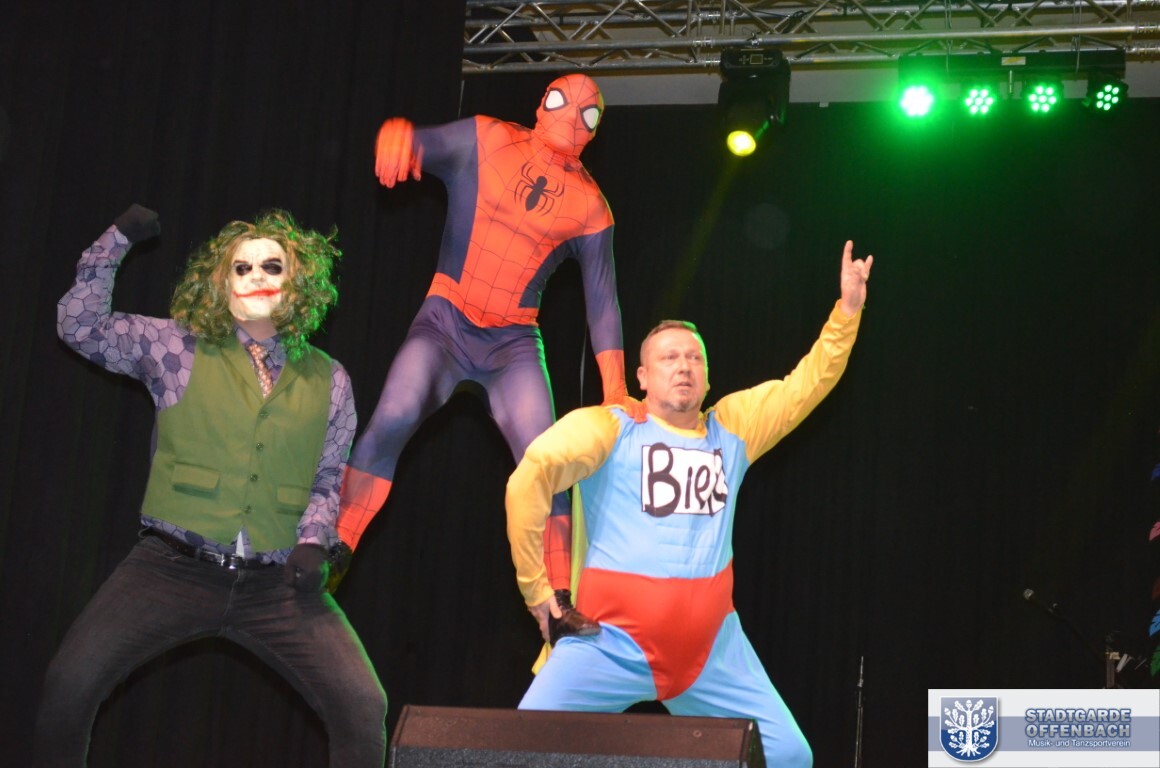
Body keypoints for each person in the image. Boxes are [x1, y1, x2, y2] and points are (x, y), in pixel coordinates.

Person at [34, 205, 387, 767]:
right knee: (69, 682)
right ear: (220, 282)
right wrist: (116, 240)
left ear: (299, 282)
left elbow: (327, 478)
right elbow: (80, 326)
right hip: (171, 569)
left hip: (276, 583)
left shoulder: (331, 378)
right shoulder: (176, 346)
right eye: (241, 268)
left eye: (272, 266)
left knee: (363, 704)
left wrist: (314, 541)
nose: (256, 278)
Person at [506, 241, 873, 767]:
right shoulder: (610, 427)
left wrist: (847, 312)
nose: (684, 366)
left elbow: (806, 385)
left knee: (790, 756)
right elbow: (530, 477)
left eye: (694, 357)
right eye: (669, 358)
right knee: (519, 749)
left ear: (708, 375)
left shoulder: (734, 428)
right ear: (642, 377)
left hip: (711, 653)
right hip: (608, 644)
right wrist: (538, 594)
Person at [337, 73, 636, 639]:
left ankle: (559, 600)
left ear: (596, 128)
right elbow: (421, 142)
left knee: (548, 461)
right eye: (562, 101)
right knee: (394, 414)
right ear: (542, 102)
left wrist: (615, 389)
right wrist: (400, 137)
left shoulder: (592, 207)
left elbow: (603, 301)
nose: (572, 117)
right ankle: (334, 545)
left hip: (512, 344)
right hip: (445, 321)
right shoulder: (487, 138)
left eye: (588, 113)